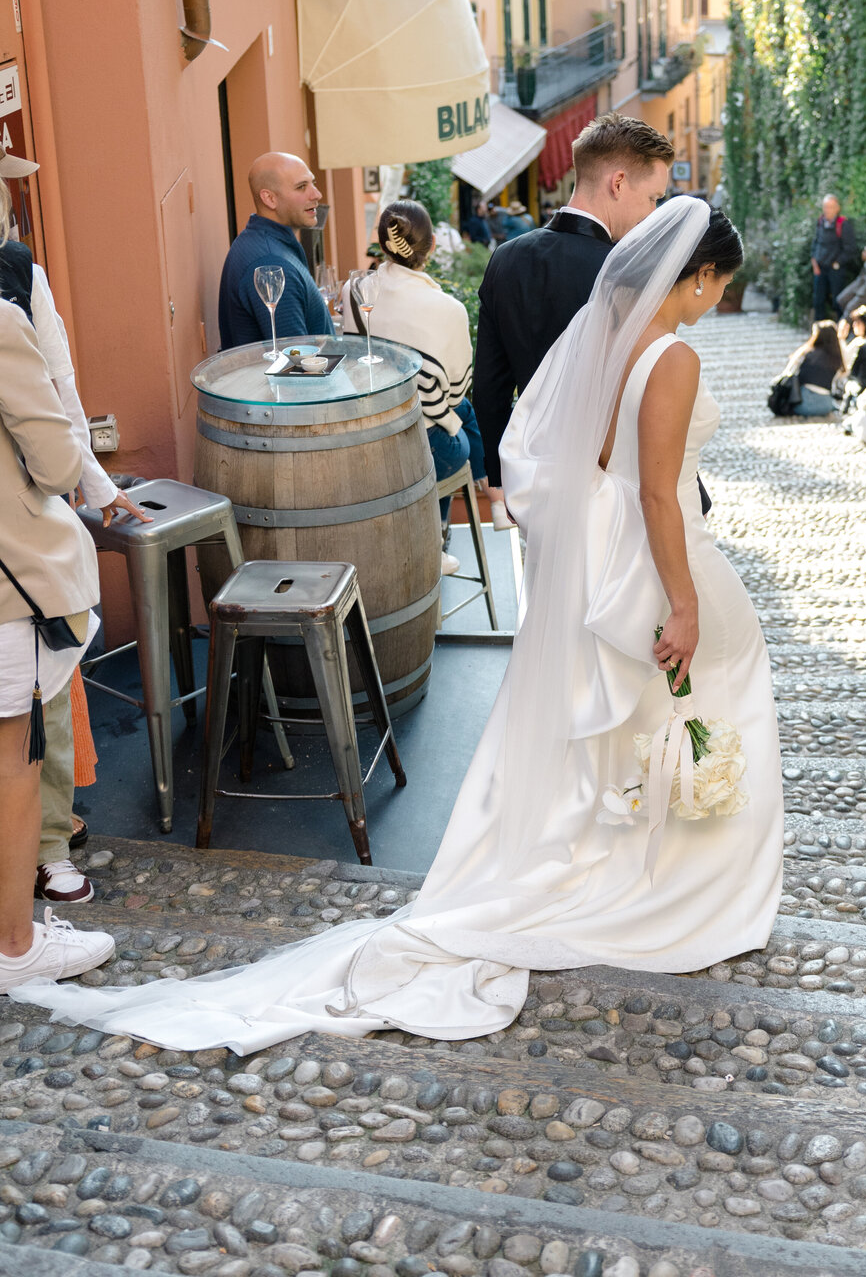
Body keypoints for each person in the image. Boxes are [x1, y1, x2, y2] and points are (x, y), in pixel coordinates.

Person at [14, 200, 784, 1050]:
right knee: (699, 707)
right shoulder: (669, 356)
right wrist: (680, 598)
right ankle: (684, 881)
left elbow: (595, 463)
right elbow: (650, 492)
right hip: (667, 559)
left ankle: (654, 865)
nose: (717, 300)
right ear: (701, 276)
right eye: (720, 286)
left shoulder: (612, 344)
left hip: (624, 560)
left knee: (650, 723)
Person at [0, 168, 149, 905]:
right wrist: (95, 486)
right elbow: (58, 396)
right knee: (38, 687)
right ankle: (49, 849)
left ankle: (44, 837)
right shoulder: (18, 276)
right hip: (20, 525)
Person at [0, 299, 114, 995]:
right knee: (14, 761)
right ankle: (15, 943)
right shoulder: (2, 323)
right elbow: (54, 463)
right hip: (12, 584)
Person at [473, 113, 674, 487]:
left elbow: (489, 389)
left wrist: (503, 480)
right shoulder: (622, 275)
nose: (653, 214)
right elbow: (645, 397)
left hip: (532, 478)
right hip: (608, 485)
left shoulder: (504, 257)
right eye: (653, 198)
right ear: (618, 182)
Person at [341, 201, 501, 566]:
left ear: (383, 245)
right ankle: (439, 538)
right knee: (456, 414)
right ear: (431, 246)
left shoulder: (354, 290)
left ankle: (443, 531)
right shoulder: (448, 309)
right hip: (423, 448)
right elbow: (457, 391)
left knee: (451, 413)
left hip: (367, 433)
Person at [218, 152, 331, 350]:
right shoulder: (272, 265)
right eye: (301, 187)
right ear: (269, 198)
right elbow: (296, 363)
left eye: (312, 183)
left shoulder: (259, 241)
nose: (316, 194)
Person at [769, 320, 844, 417]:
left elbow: (788, 372)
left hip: (804, 403)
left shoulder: (808, 353)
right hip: (827, 404)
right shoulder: (837, 358)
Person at [810, 194, 858, 320]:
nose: (828, 210)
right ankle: (818, 330)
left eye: (831, 207)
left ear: (837, 208)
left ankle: (841, 330)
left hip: (835, 269)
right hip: (820, 267)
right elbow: (816, 242)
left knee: (838, 300)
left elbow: (850, 249)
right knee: (818, 300)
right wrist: (814, 261)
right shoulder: (820, 221)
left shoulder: (843, 225)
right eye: (825, 207)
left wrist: (837, 263)